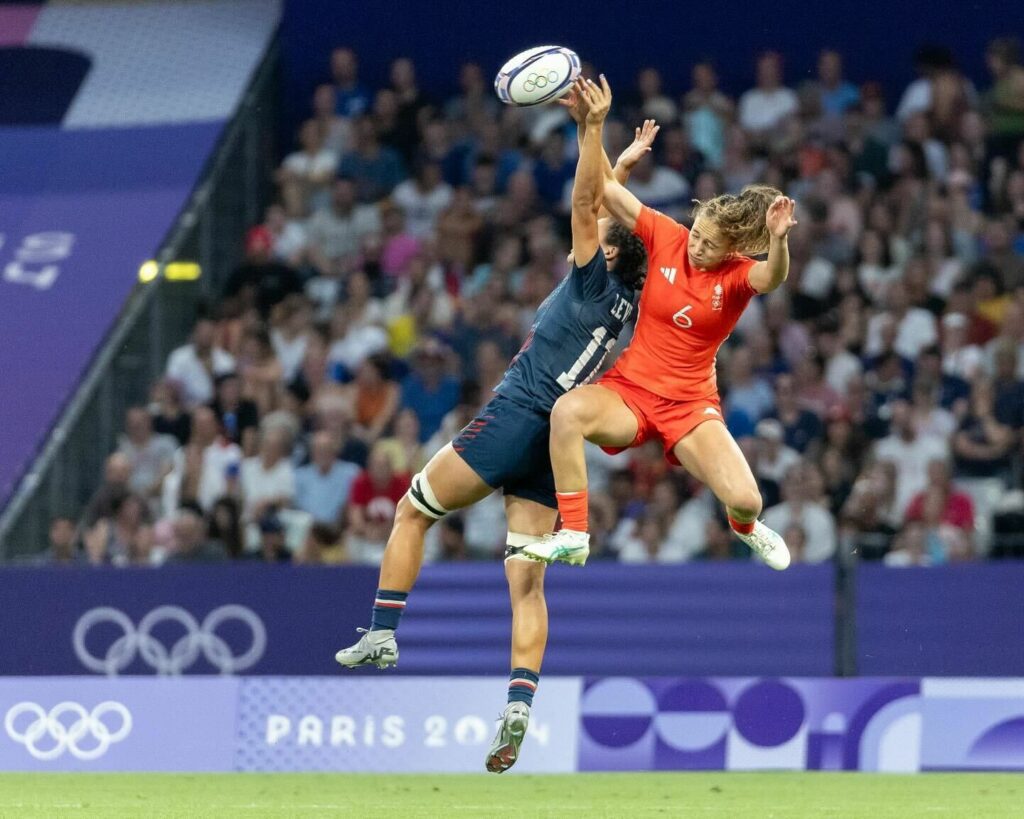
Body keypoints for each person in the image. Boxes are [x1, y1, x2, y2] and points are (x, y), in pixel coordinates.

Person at [335, 76, 649, 775]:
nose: (597, 226)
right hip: (553, 446)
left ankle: (384, 632)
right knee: (526, 584)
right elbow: (604, 203)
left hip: (516, 416)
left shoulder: (592, 277)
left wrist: (591, 133)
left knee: (413, 510)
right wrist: (623, 165)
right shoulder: (627, 302)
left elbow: (583, 201)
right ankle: (518, 707)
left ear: (611, 251)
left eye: (605, 233)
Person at [523, 78, 797, 571]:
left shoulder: (737, 277)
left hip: (690, 405)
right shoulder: (667, 235)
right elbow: (604, 190)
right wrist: (591, 126)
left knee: (747, 501)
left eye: (709, 245)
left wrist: (777, 241)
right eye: (696, 235)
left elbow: (773, 277)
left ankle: (747, 530)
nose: (696, 247)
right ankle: (575, 533)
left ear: (731, 249)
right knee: (567, 413)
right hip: (631, 390)